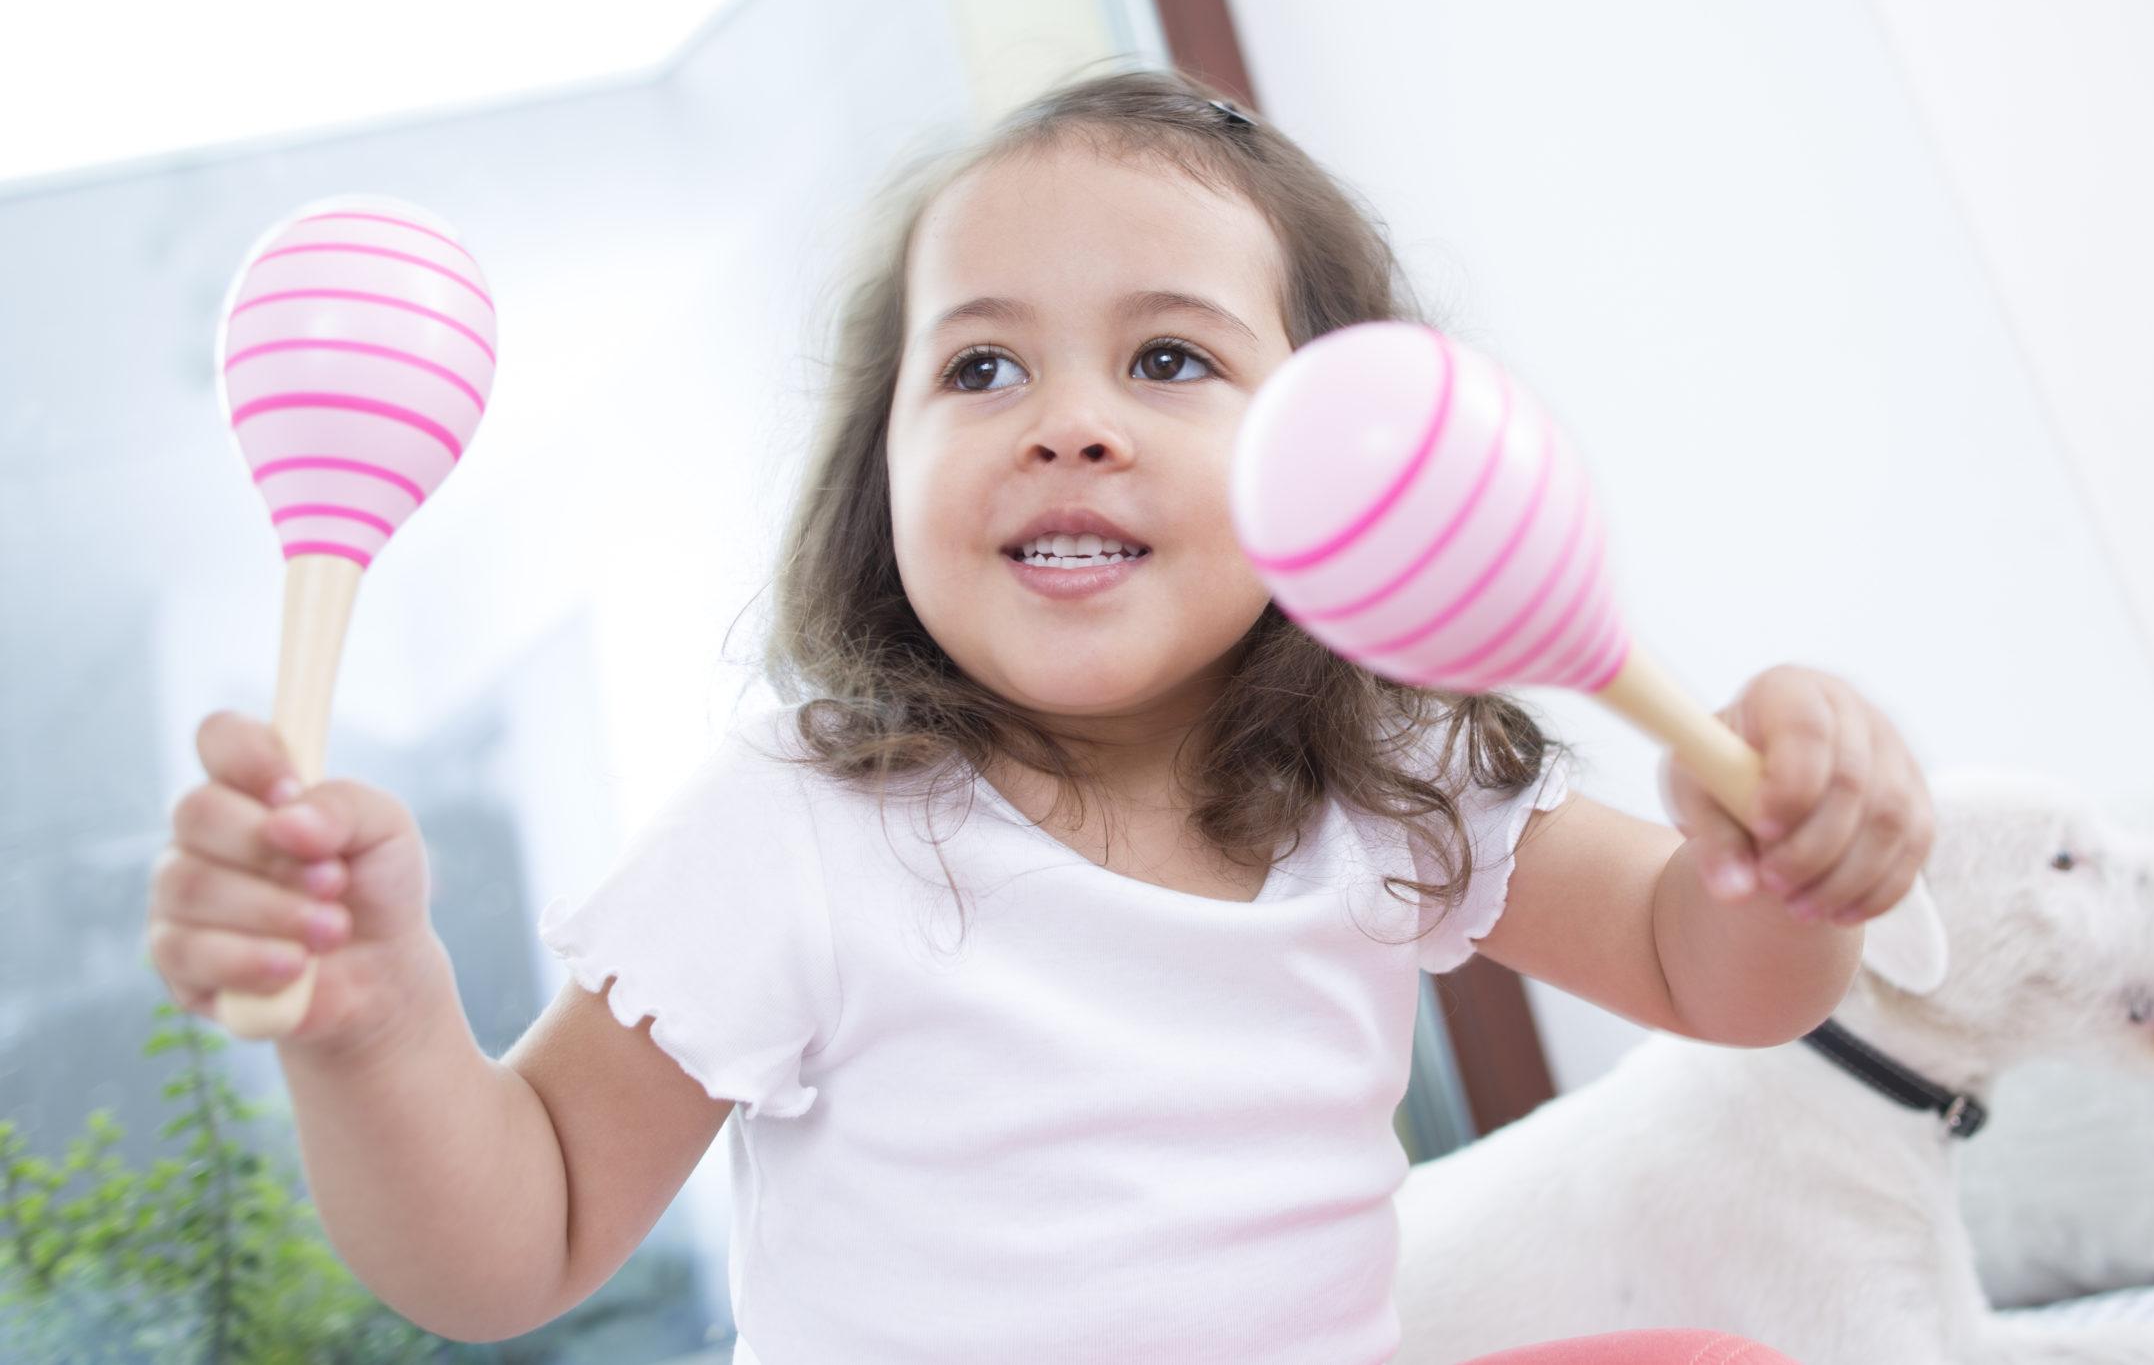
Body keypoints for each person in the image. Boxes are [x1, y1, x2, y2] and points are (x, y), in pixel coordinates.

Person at [144, 68, 1934, 1365]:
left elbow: (1712, 980)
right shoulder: (806, 827)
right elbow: (511, 1246)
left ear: (1335, 466)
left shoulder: (1388, 785)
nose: (1066, 421)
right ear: (884, 474)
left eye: (1169, 360)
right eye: (981, 365)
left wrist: (1782, 867)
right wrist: (372, 1027)